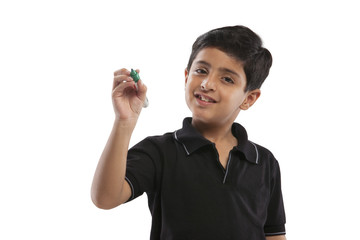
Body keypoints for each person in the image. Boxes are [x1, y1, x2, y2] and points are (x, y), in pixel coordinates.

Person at [91, 25, 286, 240]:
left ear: (249, 98)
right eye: (201, 71)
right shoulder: (159, 151)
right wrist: (124, 122)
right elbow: (105, 198)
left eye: (227, 79)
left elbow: (274, 234)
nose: (207, 84)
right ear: (186, 77)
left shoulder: (264, 162)